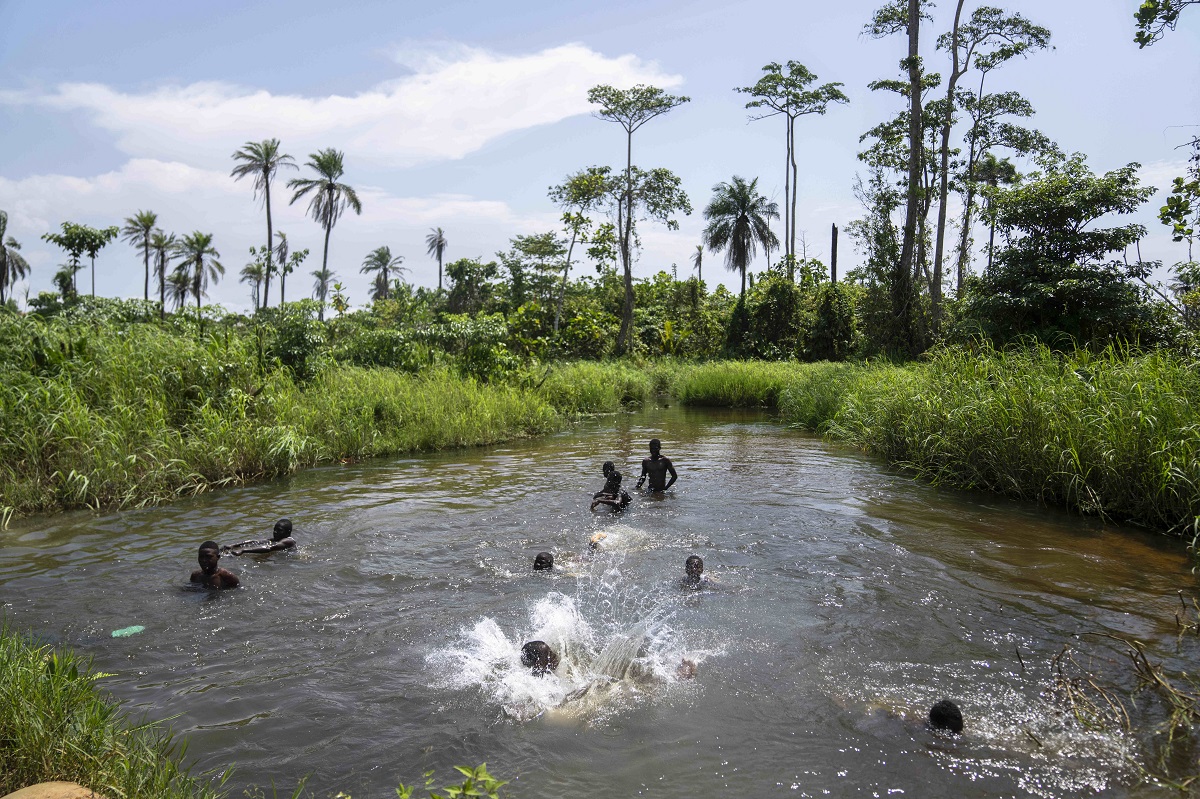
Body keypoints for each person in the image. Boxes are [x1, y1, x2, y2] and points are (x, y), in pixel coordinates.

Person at [222, 518, 297, 556]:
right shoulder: (277, 539)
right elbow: (256, 541)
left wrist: (244, 550)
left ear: (288, 532)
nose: (275, 532)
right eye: (274, 529)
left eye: (279, 530)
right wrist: (234, 545)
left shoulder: (288, 541)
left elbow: (269, 548)